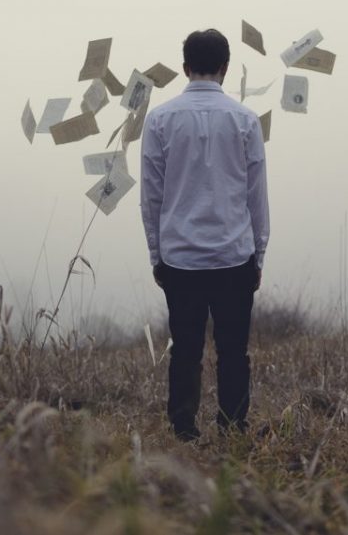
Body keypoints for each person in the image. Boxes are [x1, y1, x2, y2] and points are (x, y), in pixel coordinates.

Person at [140, 28, 269, 442]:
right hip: (234, 253)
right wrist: (258, 254)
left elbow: (151, 198)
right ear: (225, 68)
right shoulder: (246, 120)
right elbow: (256, 197)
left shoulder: (159, 120)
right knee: (234, 352)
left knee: (186, 350)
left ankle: (183, 429)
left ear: (184, 68)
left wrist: (157, 256)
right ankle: (233, 427)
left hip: (181, 257)